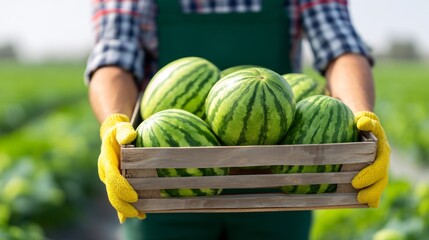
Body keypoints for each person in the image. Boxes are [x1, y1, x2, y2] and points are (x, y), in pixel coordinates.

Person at [85, 0, 390, 239]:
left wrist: (360, 115)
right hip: (165, 188)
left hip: (279, 191)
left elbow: (341, 48)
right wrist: (114, 122)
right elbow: (114, 59)